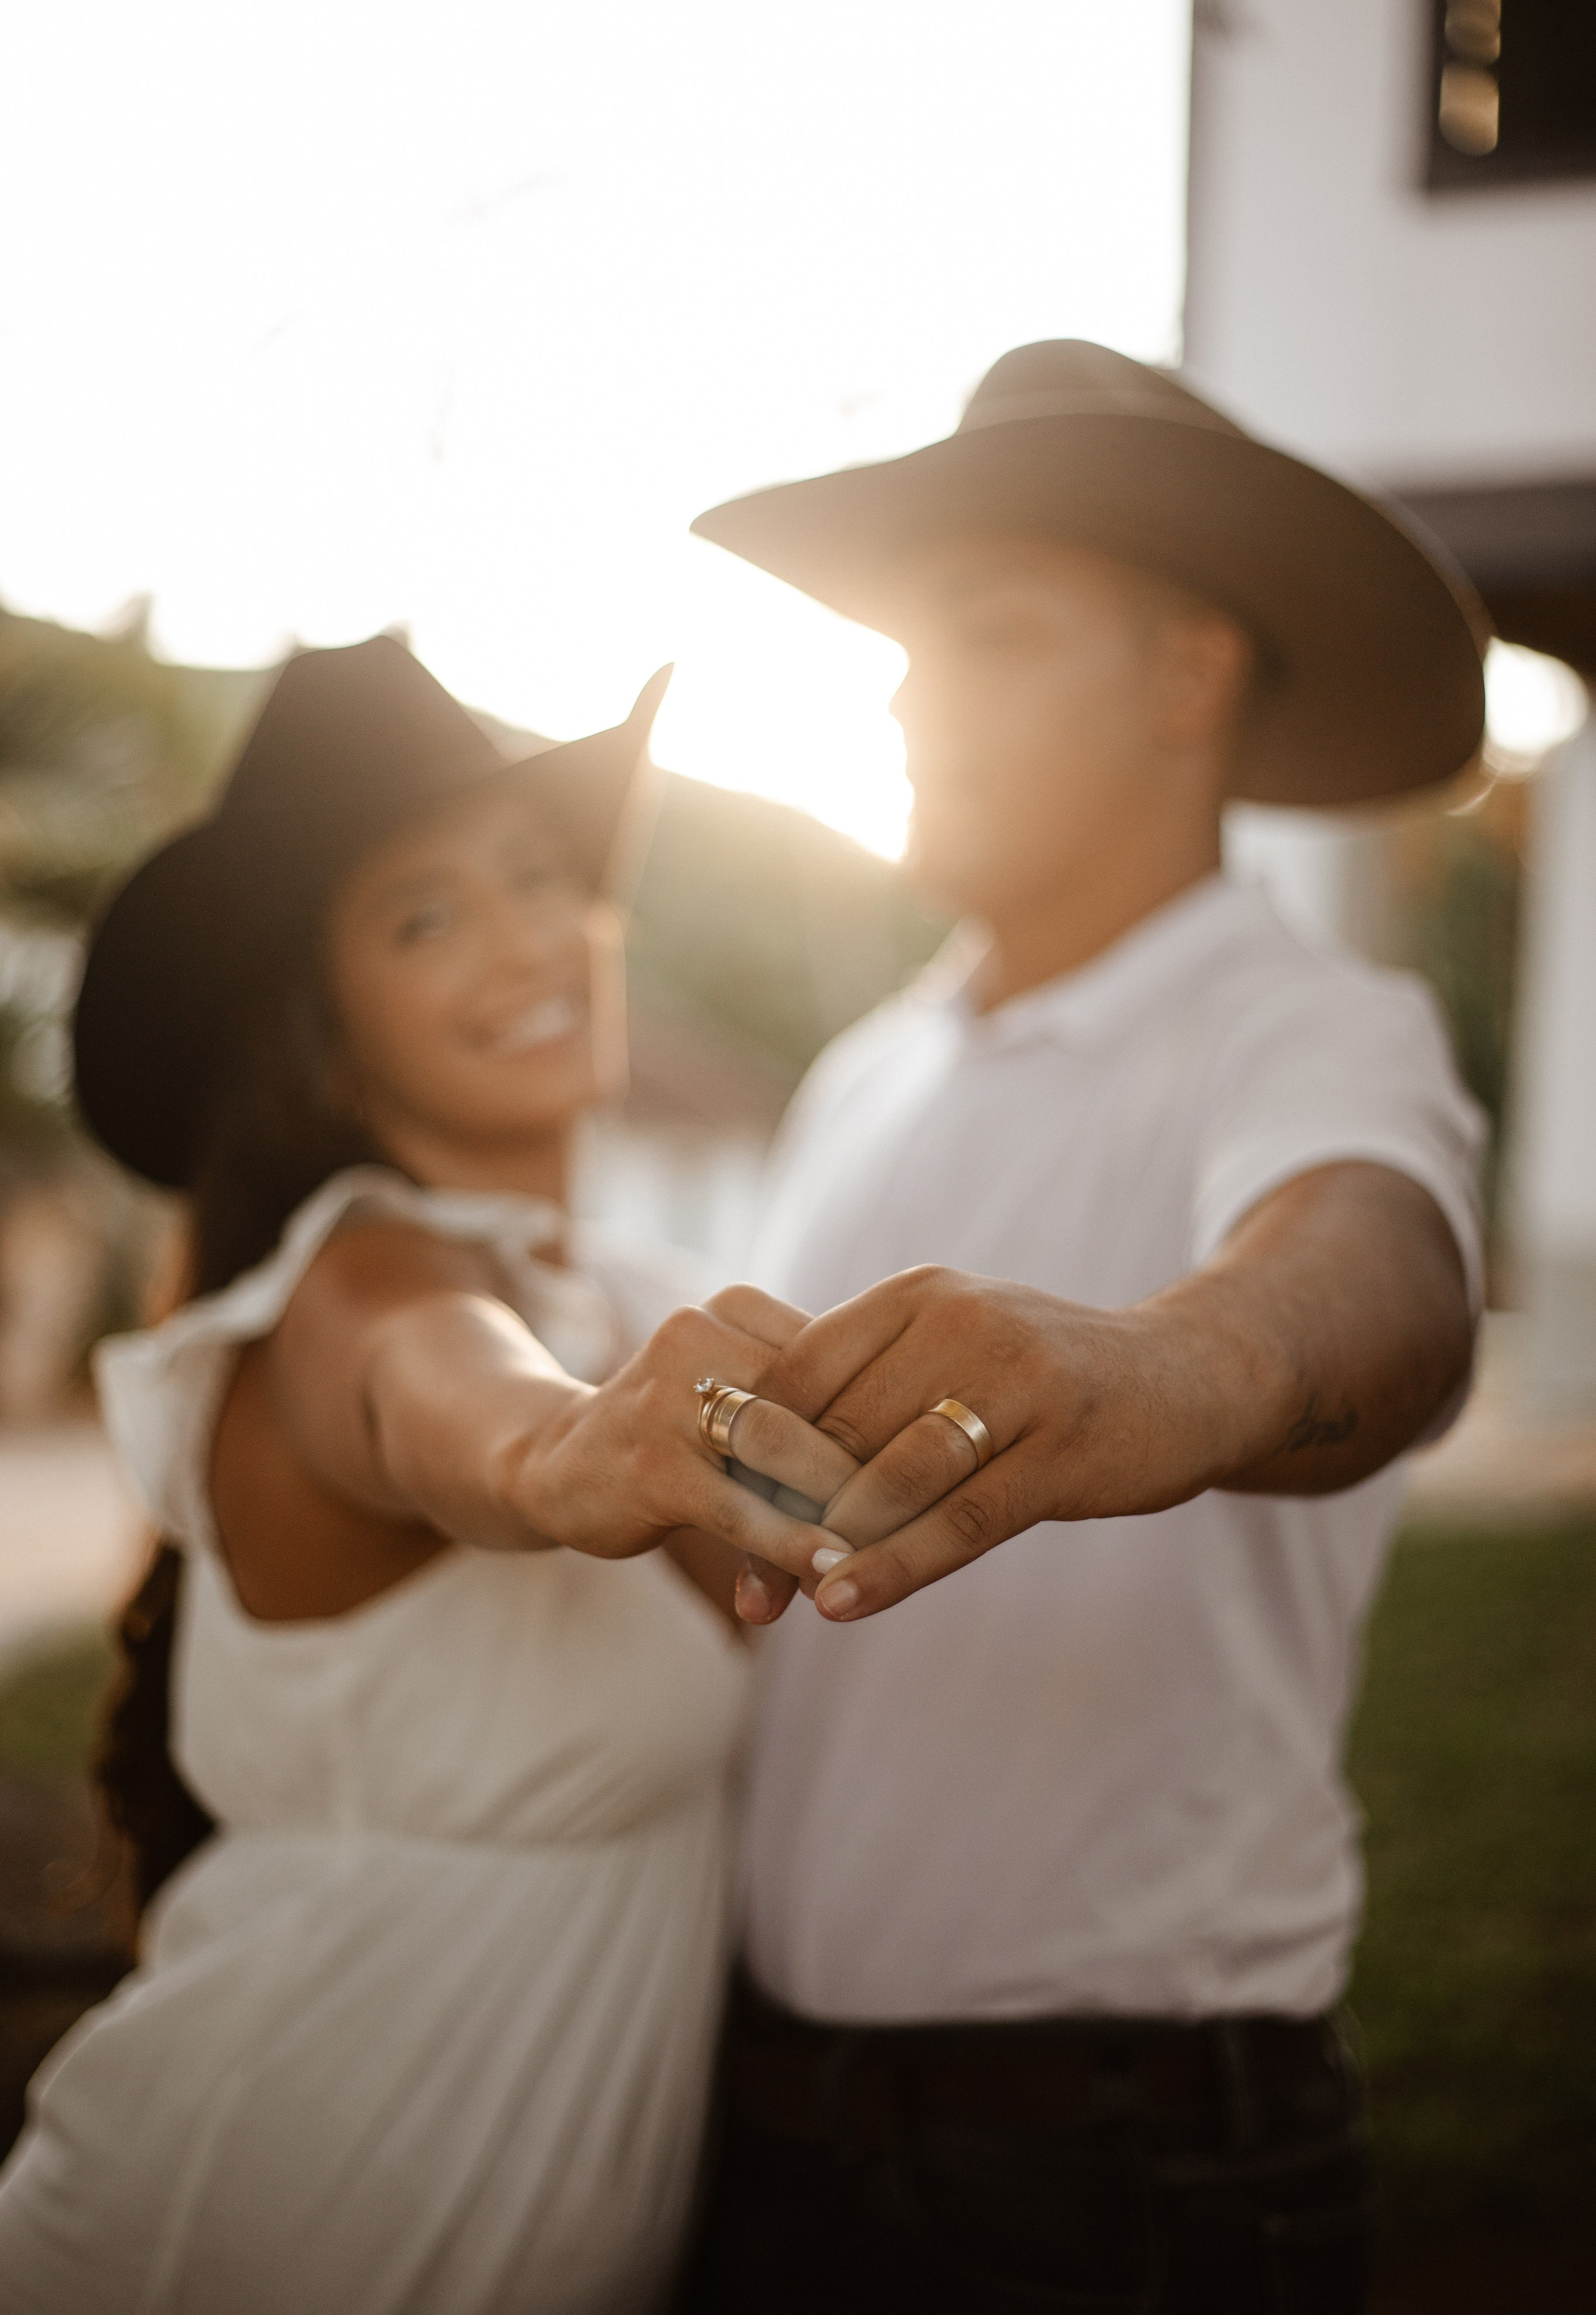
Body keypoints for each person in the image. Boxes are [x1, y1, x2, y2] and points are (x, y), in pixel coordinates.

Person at [680, 341, 1489, 2312]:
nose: (896, 688)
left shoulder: (1306, 1028)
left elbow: (1382, 1274)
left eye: (988, 630)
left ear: (1187, 674)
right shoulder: (866, 1073)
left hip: (1116, 2184)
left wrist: (1177, 1365)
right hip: (761, 2119)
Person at [0, 637, 857, 2315]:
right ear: (327, 1023)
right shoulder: (357, 1284)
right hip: (264, 2226)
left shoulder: (610, 1294)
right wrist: (562, 1455)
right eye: (427, 915)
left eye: (542, 880)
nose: (529, 938)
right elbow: (463, 1406)